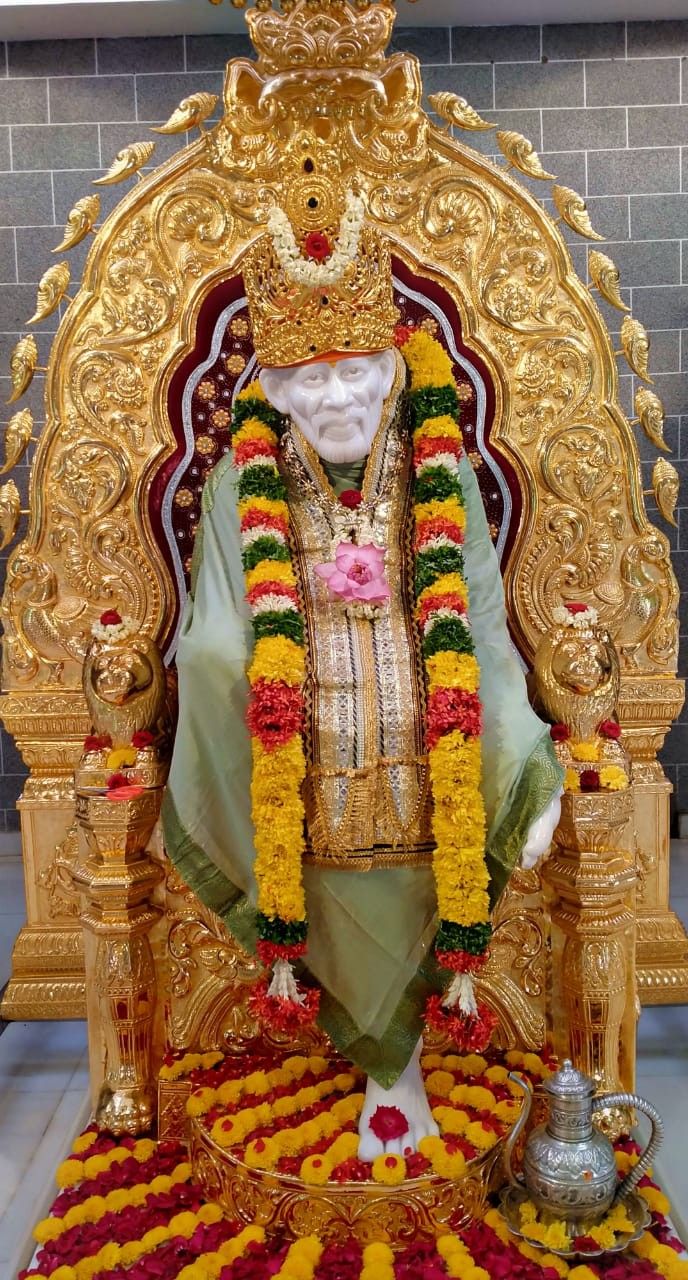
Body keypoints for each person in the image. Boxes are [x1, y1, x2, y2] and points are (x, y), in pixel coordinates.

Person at [162, 191, 563, 1159]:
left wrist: (525, 757)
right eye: (312, 378)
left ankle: (400, 1061)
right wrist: (247, 681)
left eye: (353, 373)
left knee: (466, 782)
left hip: (432, 745)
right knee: (228, 680)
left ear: (390, 372)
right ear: (276, 389)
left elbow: (477, 616)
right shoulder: (242, 480)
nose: (336, 399)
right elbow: (214, 627)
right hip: (295, 757)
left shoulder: (437, 470)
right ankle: (376, 1056)